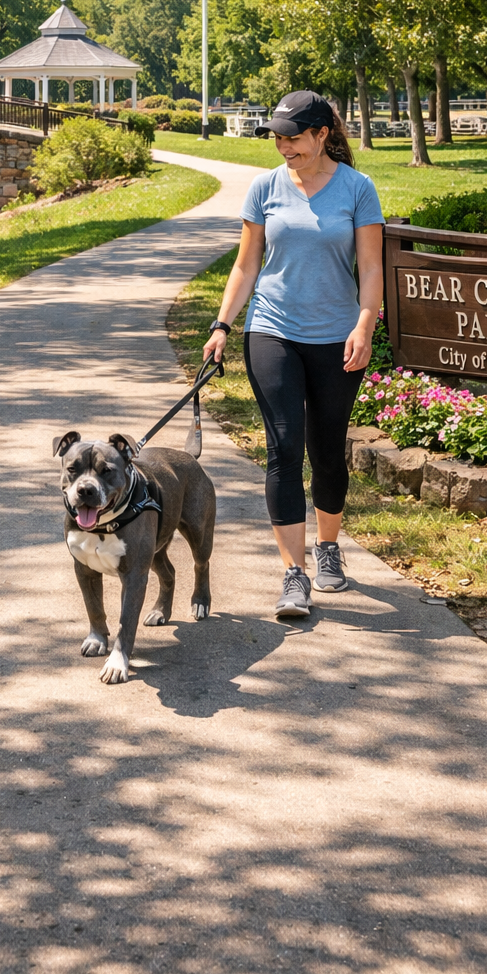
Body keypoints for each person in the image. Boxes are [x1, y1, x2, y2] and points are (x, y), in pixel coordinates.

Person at [202, 90, 384, 618]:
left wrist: (365, 324)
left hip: (336, 336)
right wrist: (222, 325)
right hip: (272, 330)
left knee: (326, 450)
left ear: (322, 134)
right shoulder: (265, 188)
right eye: (278, 139)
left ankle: (327, 547)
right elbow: (246, 266)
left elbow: (371, 267)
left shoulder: (357, 189)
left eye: (294, 138)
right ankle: (293, 573)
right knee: (283, 448)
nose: (284, 147)